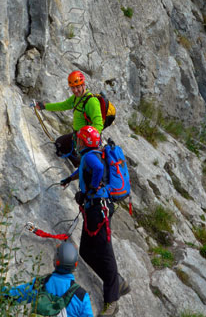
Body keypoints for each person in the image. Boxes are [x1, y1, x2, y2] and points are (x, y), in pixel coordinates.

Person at [60, 126, 130, 317]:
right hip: (95, 208)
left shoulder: (91, 156)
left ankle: (112, 301)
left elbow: (97, 169)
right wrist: (69, 178)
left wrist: (88, 191)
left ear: (84, 141)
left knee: (105, 252)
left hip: (98, 209)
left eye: (80, 140)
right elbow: (84, 169)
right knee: (86, 250)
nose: (78, 142)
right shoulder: (91, 155)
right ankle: (117, 281)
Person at [0, 240, 94, 317]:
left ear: (55, 261)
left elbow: (8, 297)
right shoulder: (81, 296)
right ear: (75, 265)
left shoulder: (40, 284)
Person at [37, 71, 103, 166]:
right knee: (59, 144)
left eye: (78, 87)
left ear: (83, 85)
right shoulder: (76, 98)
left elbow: (98, 125)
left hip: (86, 142)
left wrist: (86, 144)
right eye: (73, 87)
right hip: (77, 137)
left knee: (82, 162)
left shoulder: (91, 101)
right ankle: (76, 162)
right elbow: (63, 105)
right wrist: (45, 106)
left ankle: (79, 164)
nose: (75, 90)